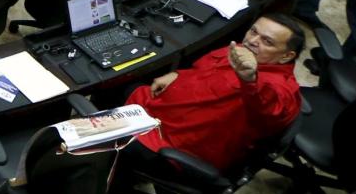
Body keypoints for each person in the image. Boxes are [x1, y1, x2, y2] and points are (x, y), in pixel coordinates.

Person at [125, 16, 304, 173]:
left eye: (268, 42)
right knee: (122, 83)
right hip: (160, 110)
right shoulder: (242, 51)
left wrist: (249, 80)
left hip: (175, 146)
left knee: (105, 138)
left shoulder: (281, 90)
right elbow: (201, 70)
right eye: (253, 31)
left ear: (286, 56)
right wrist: (177, 74)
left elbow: (266, 110)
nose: (252, 41)